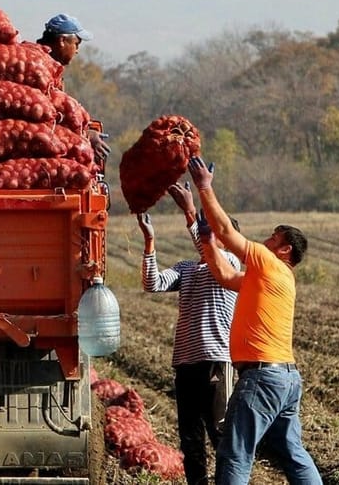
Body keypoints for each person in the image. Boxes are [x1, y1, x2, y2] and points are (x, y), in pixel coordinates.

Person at [187, 155, 322, 485]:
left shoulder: (269, 263)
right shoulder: (275, 277)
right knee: (291, 451)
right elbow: (224, 274)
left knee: (235, 451)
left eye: (274, 237)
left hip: (262, 377)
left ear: (285, 250)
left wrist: (204, 187)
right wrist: (207, 241)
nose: (267, 240)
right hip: (285, 379)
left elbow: (226, 231)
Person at [137, 182, 241, 485]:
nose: (208, 234)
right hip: (185, 363)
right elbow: (152, 283)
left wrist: (190, 210)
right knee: (190, 438)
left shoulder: (230, 266)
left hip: (215, 360)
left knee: (220, 433)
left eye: (214, 232)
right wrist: (150, 242)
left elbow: (209, 252)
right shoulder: (186, 269)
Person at [37, 13, 110, 164]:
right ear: (62, 41)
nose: (77, 50)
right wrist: (85, 135)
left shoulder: (52, 70)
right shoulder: (40, 68)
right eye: (76, 44)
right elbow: (47, 119)